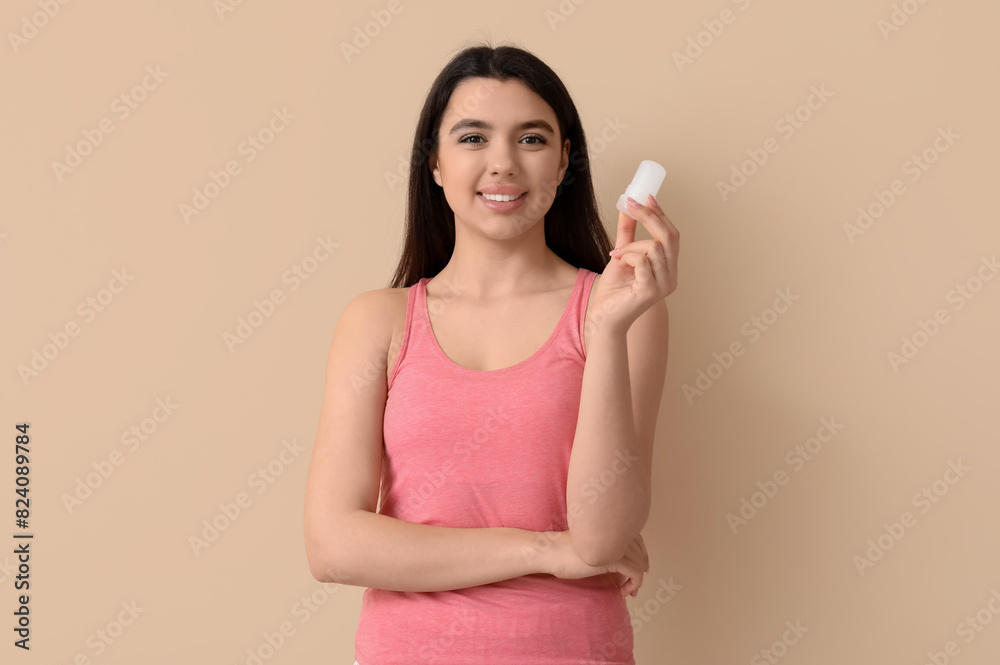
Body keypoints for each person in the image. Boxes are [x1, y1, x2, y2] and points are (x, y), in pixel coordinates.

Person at [303, 39, 678, 665]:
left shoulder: (622, 313)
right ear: (434, 162)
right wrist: (546, 550)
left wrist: (610, 330)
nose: (503, 163)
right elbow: (334, 547)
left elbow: (601, 538)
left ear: (564, 161)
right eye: (473, 138)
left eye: (531, 139)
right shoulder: (376, 322)